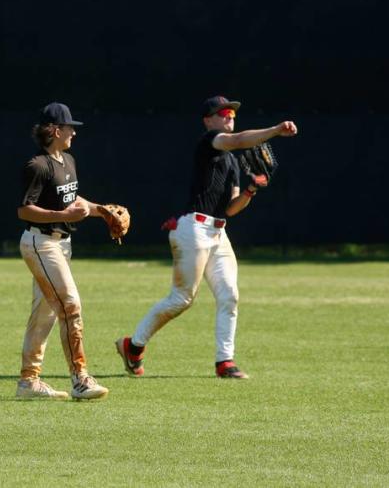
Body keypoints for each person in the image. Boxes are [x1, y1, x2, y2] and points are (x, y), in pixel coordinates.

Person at [116, 96, 298, 379]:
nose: (229, 116)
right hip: (194, 230)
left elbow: (231, 208)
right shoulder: (210, 142)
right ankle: (133, 346)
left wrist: (251, 190)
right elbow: (237, 140)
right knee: (182, 299)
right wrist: (275, 130)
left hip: (218, 232)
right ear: (208, 120)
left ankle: (225, 361)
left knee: (230, 295)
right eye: (223, 112)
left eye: (232, 113)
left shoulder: (233, 164)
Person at [15, 102, 113, 401]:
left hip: (61, 244)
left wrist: (102, 211)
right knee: (70, 305)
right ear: (55, 130)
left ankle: (28, 382)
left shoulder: (67, 160)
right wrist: (64, 217)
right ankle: (80, 378)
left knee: (44, 314)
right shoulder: (38, 165)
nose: (73, 132)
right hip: (40, 242)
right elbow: (24, 210)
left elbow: (70, 198)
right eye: (70, 127)